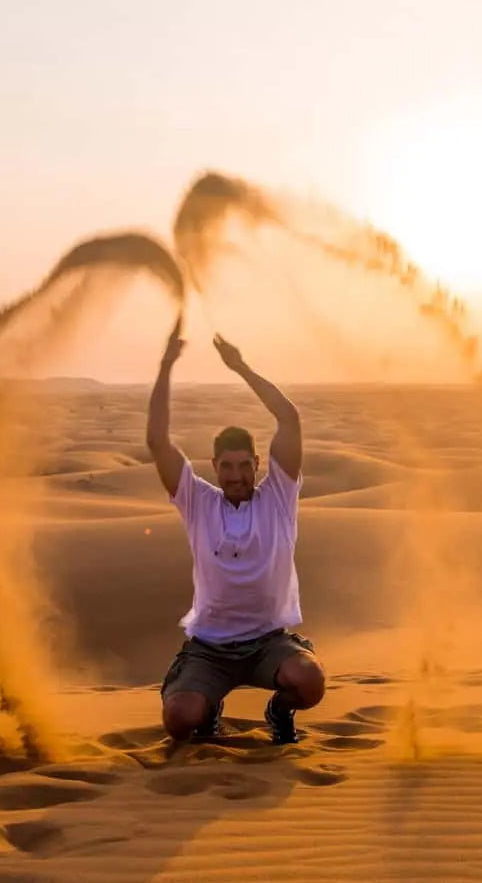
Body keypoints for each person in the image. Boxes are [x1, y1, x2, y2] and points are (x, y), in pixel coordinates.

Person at [146, 317, 325, 745]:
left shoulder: (278, 497)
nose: (236, 474)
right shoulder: (198, 501)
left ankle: (279, 713)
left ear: (257, 465)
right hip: (211, 648)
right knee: (179, 720)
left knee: (310, 682)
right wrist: (167, 364)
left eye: (245, 464)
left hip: (268, 644)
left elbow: (289, 418)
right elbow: (157, 439)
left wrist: (241, 369)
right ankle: (206, 706)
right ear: (215, 467)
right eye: (227, 466)